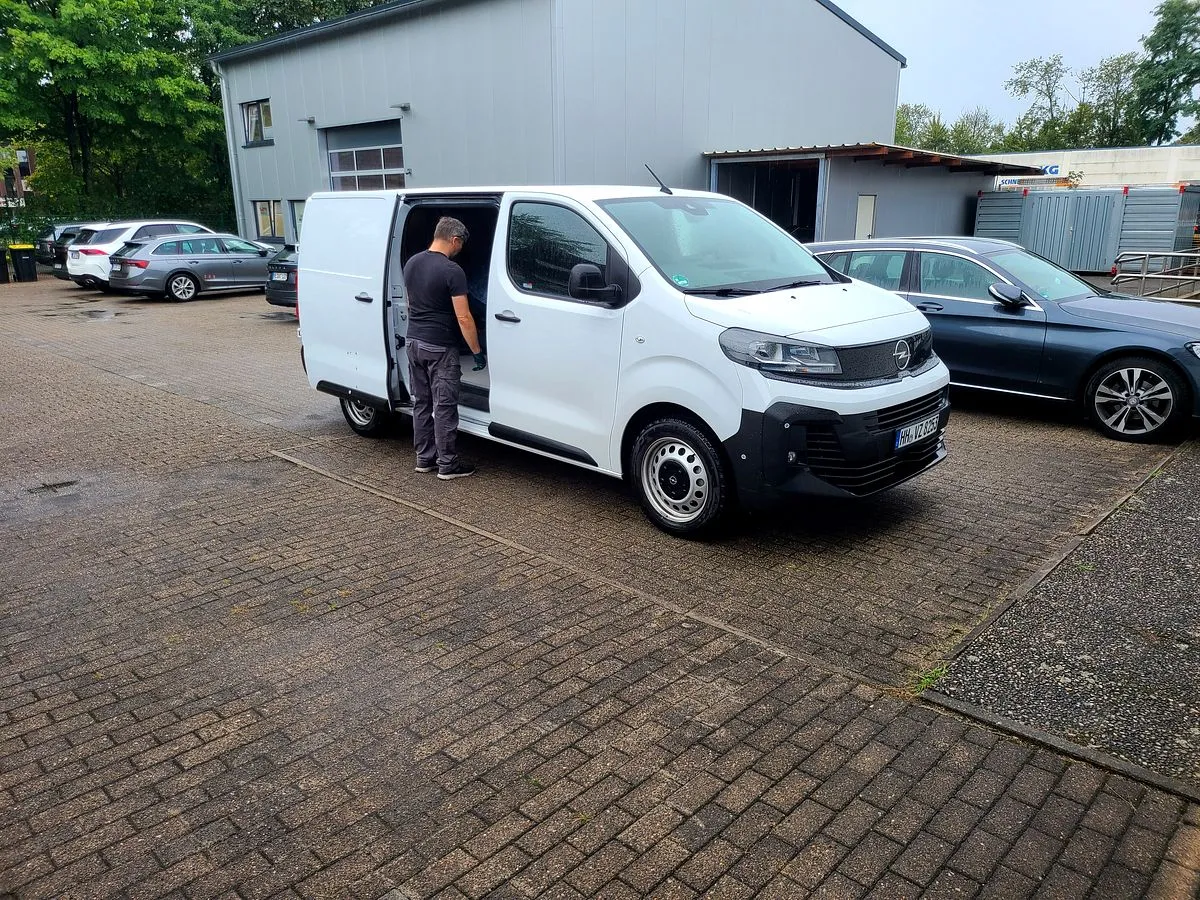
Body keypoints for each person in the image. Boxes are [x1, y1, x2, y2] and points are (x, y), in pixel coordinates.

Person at [404, 217, 486, 480]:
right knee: (444, 406)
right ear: (454, 240)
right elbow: (464, 317)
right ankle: (448, 465)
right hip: (440, 347)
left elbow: (411, 304)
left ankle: (424, 459)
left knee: (421, 403)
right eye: (461, 245)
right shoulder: (452, 270)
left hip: (413, 342)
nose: (460, 250)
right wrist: (477, 351)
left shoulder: (412, 263)